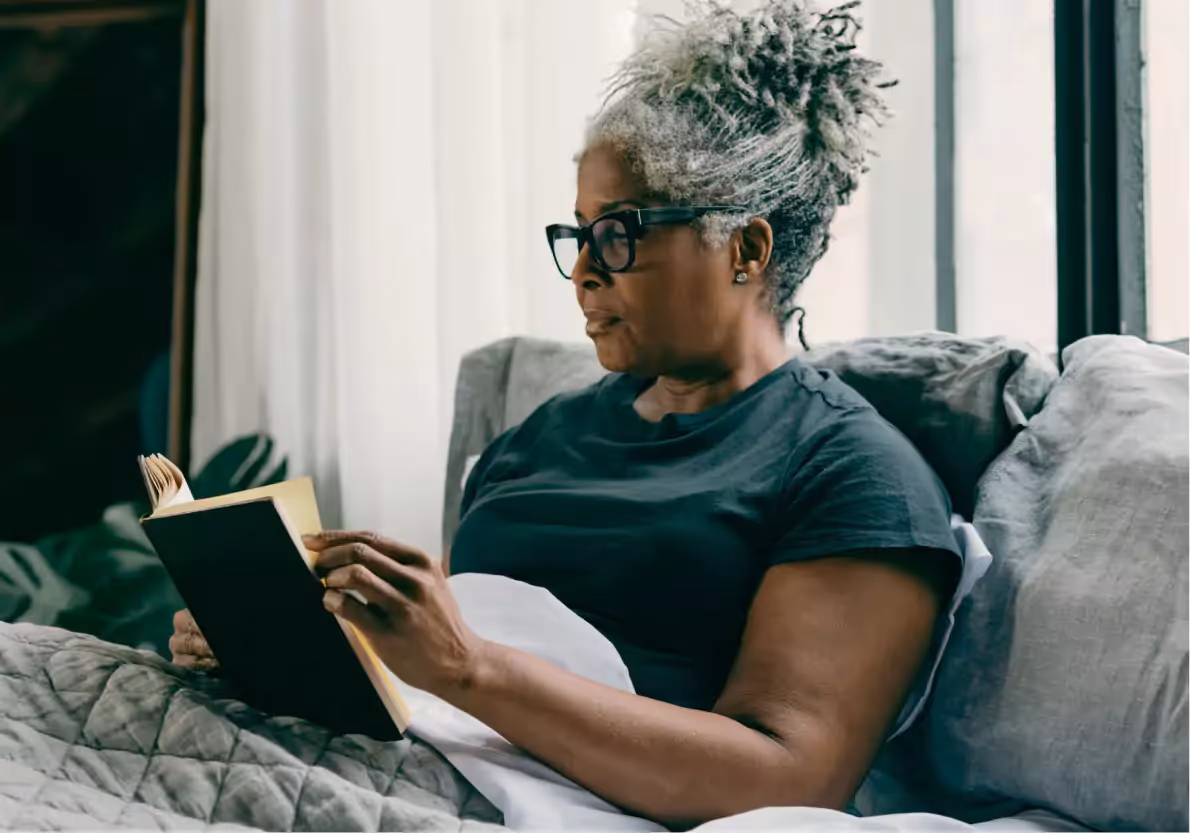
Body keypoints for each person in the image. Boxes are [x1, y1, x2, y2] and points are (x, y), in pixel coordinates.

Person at [171, 1, 963, 825]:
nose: (583, 270)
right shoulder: (543, 435)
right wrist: (291, 637)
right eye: (578, 233)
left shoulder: (854, 474)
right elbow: (446, 645)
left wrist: (467, 666)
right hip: (397, 750)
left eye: (618, 233)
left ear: (747, 248)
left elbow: (788, 782)